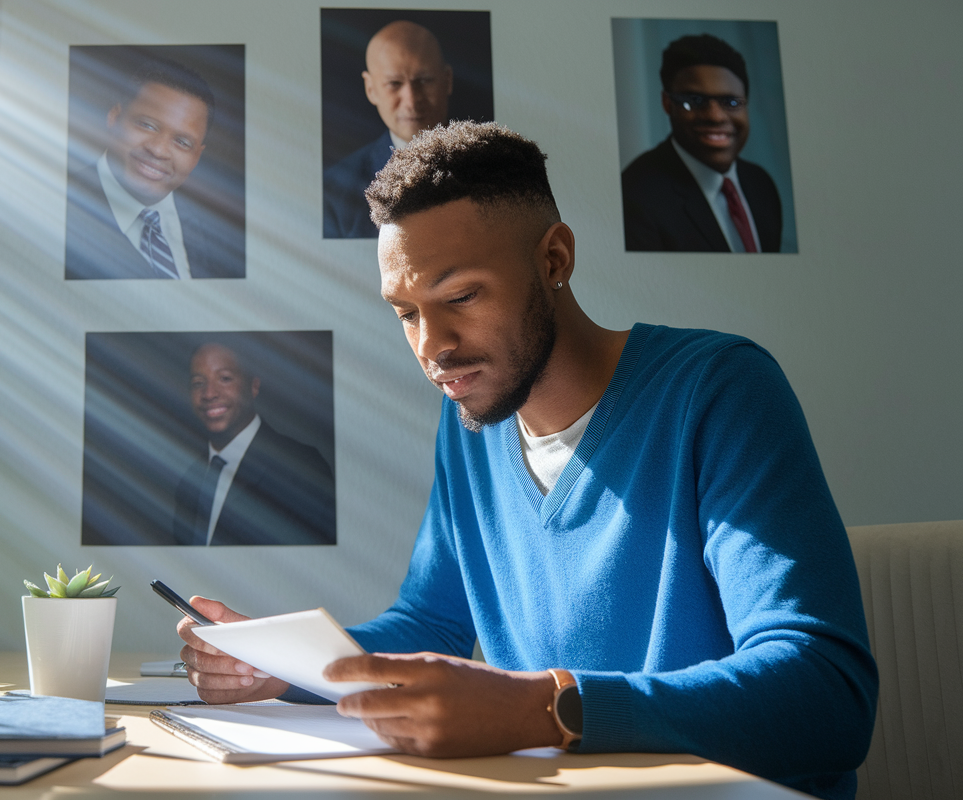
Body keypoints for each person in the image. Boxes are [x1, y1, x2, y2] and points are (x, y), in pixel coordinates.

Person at [178, 122, 877, 800]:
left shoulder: (718, 390)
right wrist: (277, 666)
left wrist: (543, 710)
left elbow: (826, 695)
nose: (433, 347)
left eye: (460, 297)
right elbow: (430, 624)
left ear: (554, 260)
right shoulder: (470, 425)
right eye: (407, 312)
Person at [65, 59, 242, 279]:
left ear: (197, 156)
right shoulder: (58, 209)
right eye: (147, 125)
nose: (158, 151)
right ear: (114, 118)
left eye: (183, 142)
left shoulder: (223, 240)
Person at [621, 34, 783, 252]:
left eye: (731, 102)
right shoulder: (636, 197)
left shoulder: (761, 185)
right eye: (694, 101)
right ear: (667, 104)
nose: (715, 116)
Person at [172, 341, 336, 546]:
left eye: (224, 378)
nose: (209, 393)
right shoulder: (190, 480)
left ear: (254, 386)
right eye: (198, 383)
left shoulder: (301, 467)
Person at [323, 20, 453, 239]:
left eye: (424, 80)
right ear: (370, 88)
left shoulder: (496, 173)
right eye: (394, 83)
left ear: (447, 80)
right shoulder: (335, 190)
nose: (411, 101)